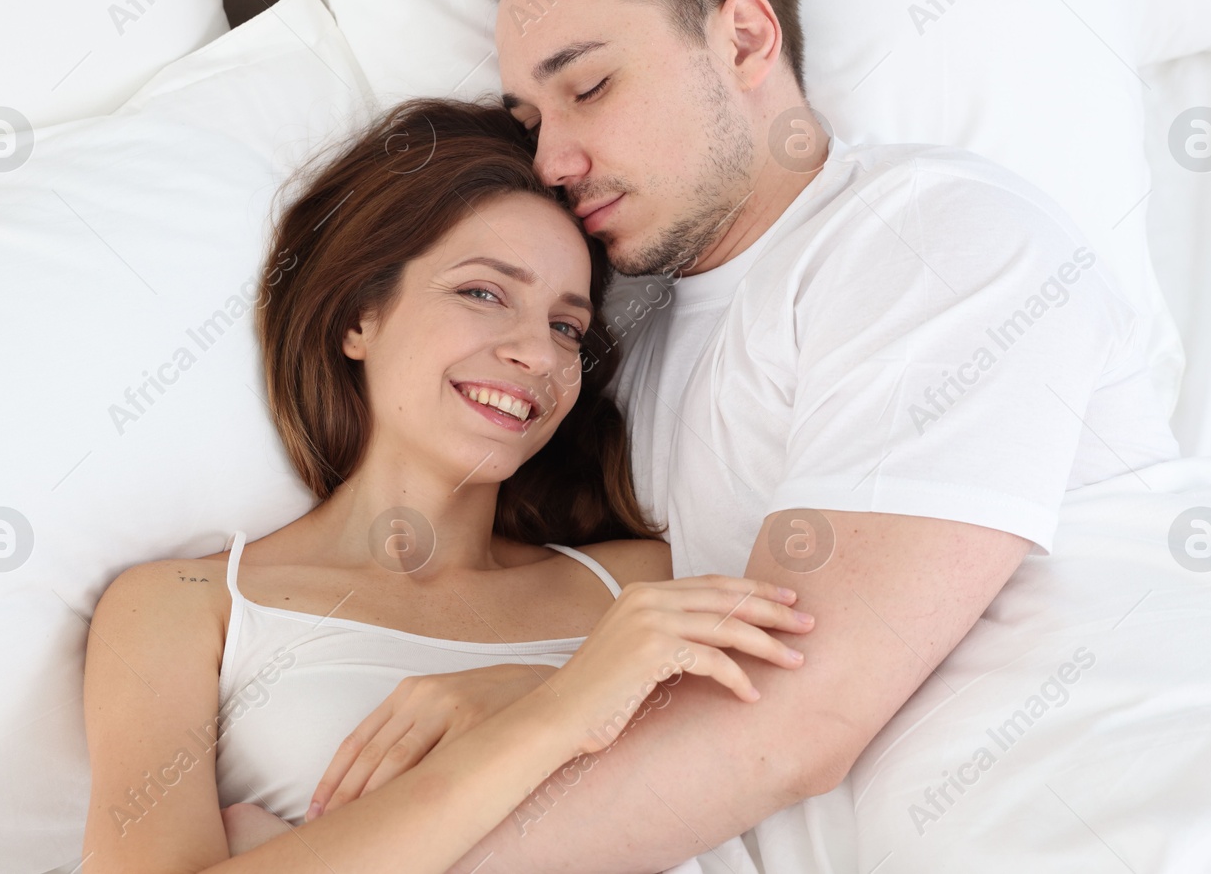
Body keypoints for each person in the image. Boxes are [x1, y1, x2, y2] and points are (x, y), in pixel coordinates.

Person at [416, 0, 1181, 872]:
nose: (554, 158)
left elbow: (792, 720)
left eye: (590, 86)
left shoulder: (928, 236)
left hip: (1133, 803)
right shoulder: (621, 364)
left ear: (742, 39)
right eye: (529, 122)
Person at [78, 99, 815, 873]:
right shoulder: (184, 606)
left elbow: (785, 748)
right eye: (484, 293)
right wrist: (557, 708)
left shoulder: (643, 583)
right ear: (360, 317)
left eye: (568, 326)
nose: (538, 352)